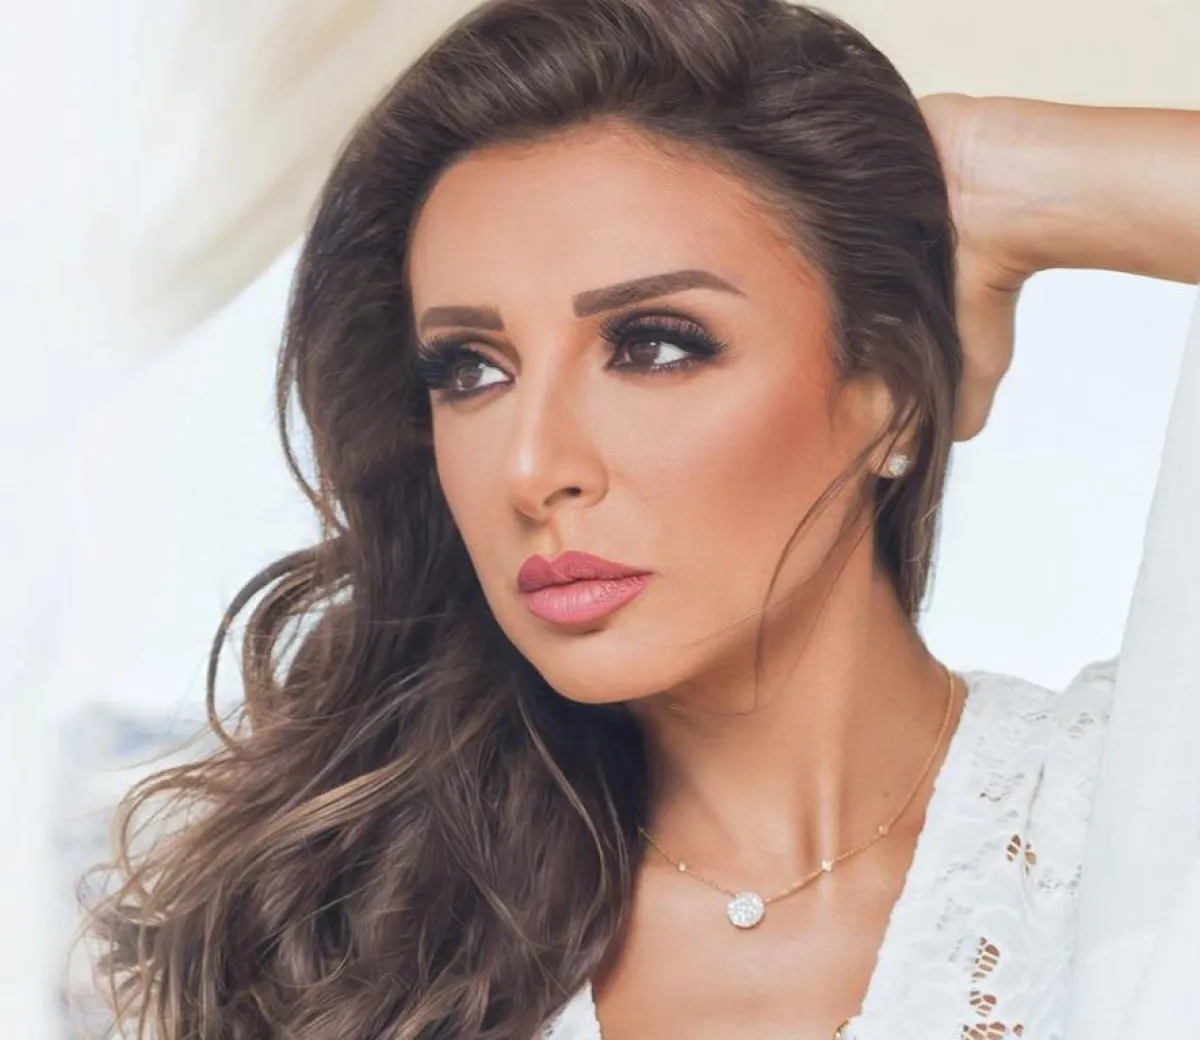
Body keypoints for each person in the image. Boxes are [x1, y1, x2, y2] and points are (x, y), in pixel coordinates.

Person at [80, 1, 1200, 1038]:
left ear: (892, 393)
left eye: (654, 344)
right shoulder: (352, 934)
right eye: (470, 368)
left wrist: (999, 171)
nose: (533, 468)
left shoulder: (1139, 821)